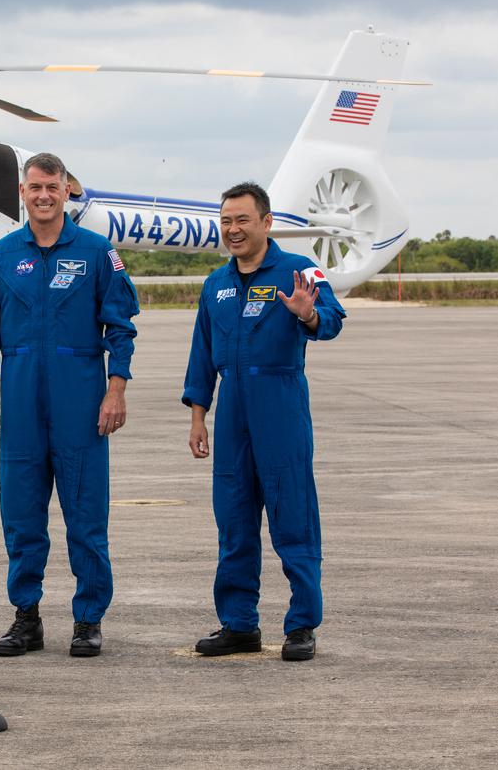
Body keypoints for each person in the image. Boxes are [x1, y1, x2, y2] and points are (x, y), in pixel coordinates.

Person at [0, 152, 139, 658]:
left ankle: (88, 619)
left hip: (80, 401)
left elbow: (121, 326)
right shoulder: (0, 257)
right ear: (22, 193)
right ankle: (27, 617)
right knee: (21, 516)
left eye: (53, 187)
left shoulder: (95, 252)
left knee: (86, 516)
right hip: (20, 403)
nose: (44, 195)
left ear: (67, 191)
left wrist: (116, 388)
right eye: (35, 187)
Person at [182, 181, 346, 662]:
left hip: (280, 402)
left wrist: (308, 313)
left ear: (266, 222)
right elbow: (201, 356)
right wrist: (198, 417)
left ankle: (301, 626)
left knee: (293, 517)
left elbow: (334, 319)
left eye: (242, 220)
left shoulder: (299, 269)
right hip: (231, 408)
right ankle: (238, 624)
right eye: (226, 221)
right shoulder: (215, 285)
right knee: (233, 520)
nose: (233, 230)